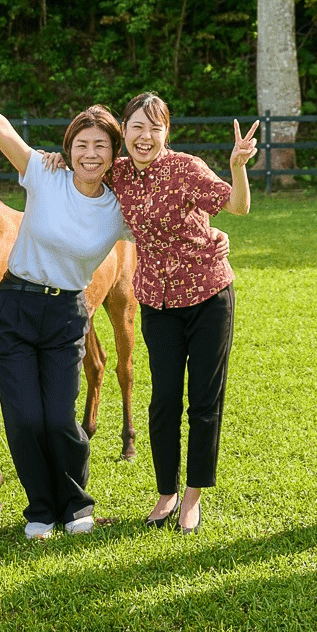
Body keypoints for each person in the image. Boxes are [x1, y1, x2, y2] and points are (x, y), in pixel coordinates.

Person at [0, 38, 131, 540]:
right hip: (14, 308)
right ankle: (40, 509)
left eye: (99, 146)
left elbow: (171, 211)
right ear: (68, 148)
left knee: (60, 420)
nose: (88, 153)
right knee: (23, 420)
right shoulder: (43, 173)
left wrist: (214, 236)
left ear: (113, 154)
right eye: (80, 144)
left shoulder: (122, 205)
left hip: (65, 314)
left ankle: (76, 506)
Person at [98, 95, 256, 533]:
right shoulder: (117, 171)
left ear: (166, 132)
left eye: (155, 128)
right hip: (156, 301)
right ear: (123, 130)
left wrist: (238, 166)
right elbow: (83, 166)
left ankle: (192, 497)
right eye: (136, 127)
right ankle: (166, 491)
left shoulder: (186, 168)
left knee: (204, 402)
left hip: (208, 295)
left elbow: (238, 207)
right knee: (164, 401)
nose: (145, 137)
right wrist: (58, 159)